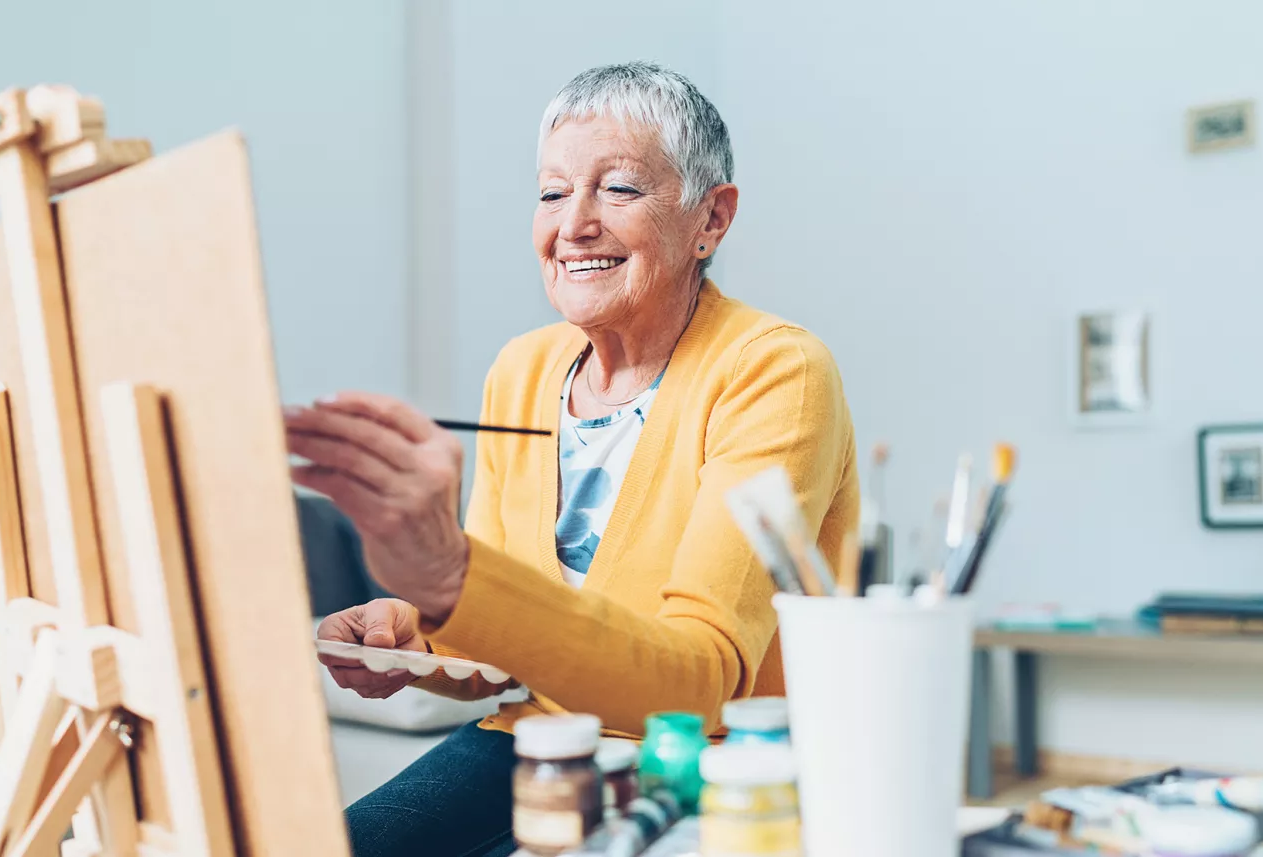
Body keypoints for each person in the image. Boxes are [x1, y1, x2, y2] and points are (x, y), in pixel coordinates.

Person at [284, 61, 858, 857]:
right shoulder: (521, 369)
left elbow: (694, 688)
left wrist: (449, 574)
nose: (575, 224)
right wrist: (413, 631)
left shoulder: (774, 370)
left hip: (706, 762)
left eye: (618, 188)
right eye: (553, 193)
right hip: (536, 741)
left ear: (711, 219)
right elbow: (506, 618)